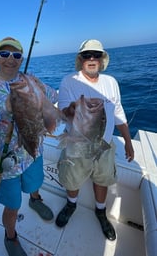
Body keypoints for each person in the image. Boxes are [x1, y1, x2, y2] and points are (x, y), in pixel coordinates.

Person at [0, 37, 58, 256]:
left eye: (16, 55)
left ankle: (35, 199)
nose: (10, 59)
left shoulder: (30, 80)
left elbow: (53, 96)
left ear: (21, 59)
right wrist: (3, 108)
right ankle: (10, 235)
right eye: (4, 54)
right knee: (13, 204)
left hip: (33, 150)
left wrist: (44, 101)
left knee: (35, 183)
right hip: (4, 161)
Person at [55, 39, 134, 241]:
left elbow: (118, 114)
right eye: (87, 55)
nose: (92, 59)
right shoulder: (69, 81)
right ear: (80, 59)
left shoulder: (111, 82)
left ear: (102, 59)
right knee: (72, 179)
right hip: (76, 143)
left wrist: (128, 141)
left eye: (96, 55)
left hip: (104, 145)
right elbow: (64, 112)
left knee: (103, 179)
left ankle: (100, 211)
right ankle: (71, 205)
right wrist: (72, 109)